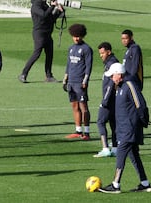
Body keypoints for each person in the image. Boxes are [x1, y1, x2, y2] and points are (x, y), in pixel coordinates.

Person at [98, 63, 151, 194]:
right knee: (134, 156)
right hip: (124, 129)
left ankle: (116, 184)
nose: (111, 78)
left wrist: (143, 121)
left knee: (121, 154)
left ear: (119, 75)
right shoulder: (120, 87)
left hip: (129, 129)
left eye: (112, 75)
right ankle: (145, 183)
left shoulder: (129, 85)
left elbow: (141, 104)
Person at [18, 0, 64, 83]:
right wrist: (53, 7)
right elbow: (43, 16)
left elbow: (51, 19)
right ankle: (23, 74)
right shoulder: (36, 6)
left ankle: (49, 76)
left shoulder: (44, 5)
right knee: (36, 54)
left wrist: (59, 12)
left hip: (47, 33)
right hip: (39, 34)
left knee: (50, 55)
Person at [63, 24, 93, 141]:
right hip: (71, 81)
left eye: (79, 36)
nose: (77, 38)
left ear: (82, 36)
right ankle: (78, 130)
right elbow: (68, 65)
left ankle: (87, 132)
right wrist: (65, 79)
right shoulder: (71, 48)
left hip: (80, 82)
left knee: (83, 106)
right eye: (75, 36)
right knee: (74, 106)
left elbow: (88, 67)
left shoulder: (86, 49)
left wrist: (85, 80)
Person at [93, 42, 119, 158]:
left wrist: (104, 101)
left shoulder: (111, 63)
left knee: (101, 121)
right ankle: (114, 148)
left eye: (102, 53)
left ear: (108, 52)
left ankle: (105, 149)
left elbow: (110, 85)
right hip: (115, 100)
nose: (101, 55)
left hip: (109, 100)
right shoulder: (111, 61)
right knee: (113, 123)